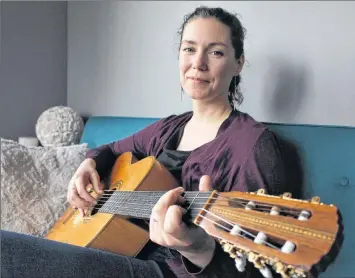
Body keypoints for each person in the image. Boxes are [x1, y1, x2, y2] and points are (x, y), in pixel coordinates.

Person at [1, 6, 288, 278]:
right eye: (189, 49)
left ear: (238, 63)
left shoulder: (252, 145)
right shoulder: (171, 126)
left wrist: (197, 248)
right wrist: (89, 164)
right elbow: (112, 149)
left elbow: (260, 266)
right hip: (116, 251)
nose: (197, 63)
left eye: (215, 52)